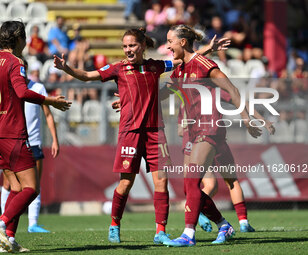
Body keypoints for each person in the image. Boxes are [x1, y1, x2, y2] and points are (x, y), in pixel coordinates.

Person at [54, 27, 229, 245]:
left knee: (161, 181)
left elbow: (186, 60)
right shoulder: (118, 68)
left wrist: (207, 49)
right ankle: (115, 224)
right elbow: (89, 76)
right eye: (125, 46)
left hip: (156, 132)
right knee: (126, 183)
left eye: (132, 45)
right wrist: (66, 68)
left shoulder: (155, 66)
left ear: (142, 46)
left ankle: (160, 231)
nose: (128, 50)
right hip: (130, 133)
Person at [0, 21, 71, 252]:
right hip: (13, 135)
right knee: (31, 189)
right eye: (24, 39)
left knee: (15, 187)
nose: (25, 44)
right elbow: (22, 92)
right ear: (18, 39)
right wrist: (50, 100)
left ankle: (9, 241)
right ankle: (1, 223)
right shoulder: (16, 62)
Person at [163, 24, 265, 247]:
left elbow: (232, 90)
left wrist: (247, 118)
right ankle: (224, 225)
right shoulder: (180, 71)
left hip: (209, 128)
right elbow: (163, 93)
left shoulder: (204, 65)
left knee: (194, 182)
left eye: (170, 41)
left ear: (182, 42)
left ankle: (188, 235)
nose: (167, 45)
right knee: (190, 187)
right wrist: (133, 98)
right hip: (193, 131)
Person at [178, 90, 275, 233]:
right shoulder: (214, 91)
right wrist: (262, 120)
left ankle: (196, 213)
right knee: (231, 181)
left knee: (204, 184)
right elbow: (240, 102)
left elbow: (181, 131)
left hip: (193, 142)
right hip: (215, 139)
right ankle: (243, 222)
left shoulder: (184, 99)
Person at [0, 59, 59, 237]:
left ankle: (28, 224)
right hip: (13, 140)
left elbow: (48, 115)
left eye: (24, 70)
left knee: (32, 186)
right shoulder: (11, 87)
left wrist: (55, 140)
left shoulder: (38, 88)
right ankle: (3, 221)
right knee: (13, 185)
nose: (22, 72)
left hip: (33, 142)